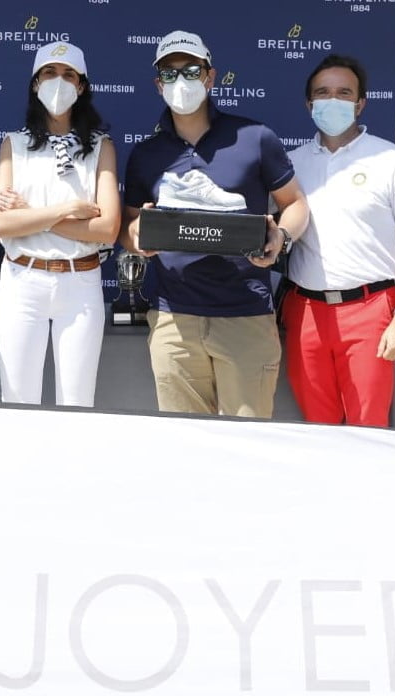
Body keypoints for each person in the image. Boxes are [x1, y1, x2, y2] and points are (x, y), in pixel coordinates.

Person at [119, 30, 309, 418]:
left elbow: (295, 203)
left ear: (210, 77)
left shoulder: (255, 137)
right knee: (184, 442)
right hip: (174, 318)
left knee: (247, 440)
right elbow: (129, 224)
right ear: (158, 84)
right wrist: (135, 237)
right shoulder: (145, 154)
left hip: (245, 315)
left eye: (191, 71)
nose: (181, 81)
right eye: (170, 73)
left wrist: (283, 235)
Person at [283, 54, 395, 427]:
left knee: (369, 430)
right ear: (309, 104)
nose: (332, 100)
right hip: (306, 311)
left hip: (371, 311)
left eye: (343, 93)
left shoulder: (393, 161)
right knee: (317, 428)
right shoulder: (290, 165)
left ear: (360, 103)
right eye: (323, 93)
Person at [0, 42, 120, 406]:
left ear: (81, 86)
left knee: (77, 404)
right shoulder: (13, 144)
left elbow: (107, 229)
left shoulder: (101, 147)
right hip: (21, 282)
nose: (58, 82)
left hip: (81, 283)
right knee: (17, 401)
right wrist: (68, 209)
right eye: (49, 73)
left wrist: (29, 215)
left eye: (68, 75)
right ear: (35, 83)